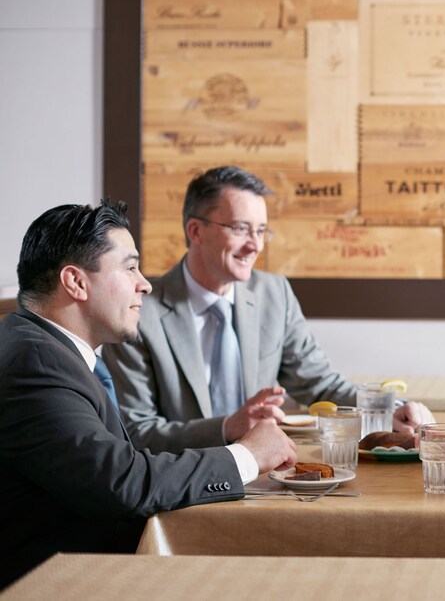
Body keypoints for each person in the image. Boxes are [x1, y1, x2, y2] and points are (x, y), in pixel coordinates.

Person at [0, 200, 297, 589]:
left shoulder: (43, 348)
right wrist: (247, 455)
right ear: (75, 282)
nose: (145, 283)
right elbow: (122, 481)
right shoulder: (36, 362)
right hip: (58, 585)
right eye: (130, 267)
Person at [102, 166, 434, 454]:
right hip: (182, 485)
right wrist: (227, 428)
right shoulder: (139, 308)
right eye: (241, 229)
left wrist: (390, 408)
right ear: (196, 231)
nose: (255, 245)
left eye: (261, 231)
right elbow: (136, 431)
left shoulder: (274, 295)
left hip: (268, 472)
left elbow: (320, 383)